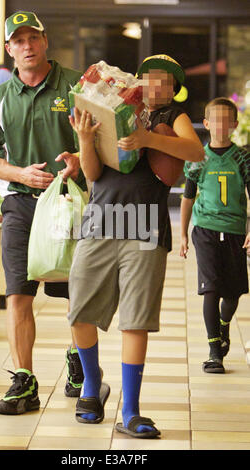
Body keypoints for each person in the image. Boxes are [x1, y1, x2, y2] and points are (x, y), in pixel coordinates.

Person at [67, 55, 204, 438]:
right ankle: (92, 386)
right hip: (100, 220)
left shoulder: (170, 117)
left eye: (163, 80)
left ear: (173, 88)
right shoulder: (116, 109)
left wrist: (147, 139)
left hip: (145, 225)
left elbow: (196, 151)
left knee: (135, 319)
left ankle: (131, 411)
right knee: (80, 308)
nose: (153, 85)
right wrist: (84, 140)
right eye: (148, 78)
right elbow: (94, 174)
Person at [0, 11, 85, 415]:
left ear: (45, 40)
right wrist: (19, 172)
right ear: (9, 50)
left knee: (76, 294)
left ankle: (80, 362)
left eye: (32, 37)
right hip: (21, 203)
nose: (27, 46)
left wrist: (78, 159)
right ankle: (24, 380)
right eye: (18, 41)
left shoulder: (75, 85)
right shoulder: (0, 98)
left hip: (71, 201)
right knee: (18, 293)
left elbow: (103, 139)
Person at [180, 97, 250, 374]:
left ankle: (223, 325)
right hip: (205, 229)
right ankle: (213, 352)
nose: (220, 125)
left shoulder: (243, 158)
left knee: (232, 293)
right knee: (210, 288)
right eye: (215, 120)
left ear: (233, 125)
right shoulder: (198, 157)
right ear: (207, 124)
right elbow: (187, 198)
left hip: (234, 230)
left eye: (226, 120)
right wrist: (184, 234)